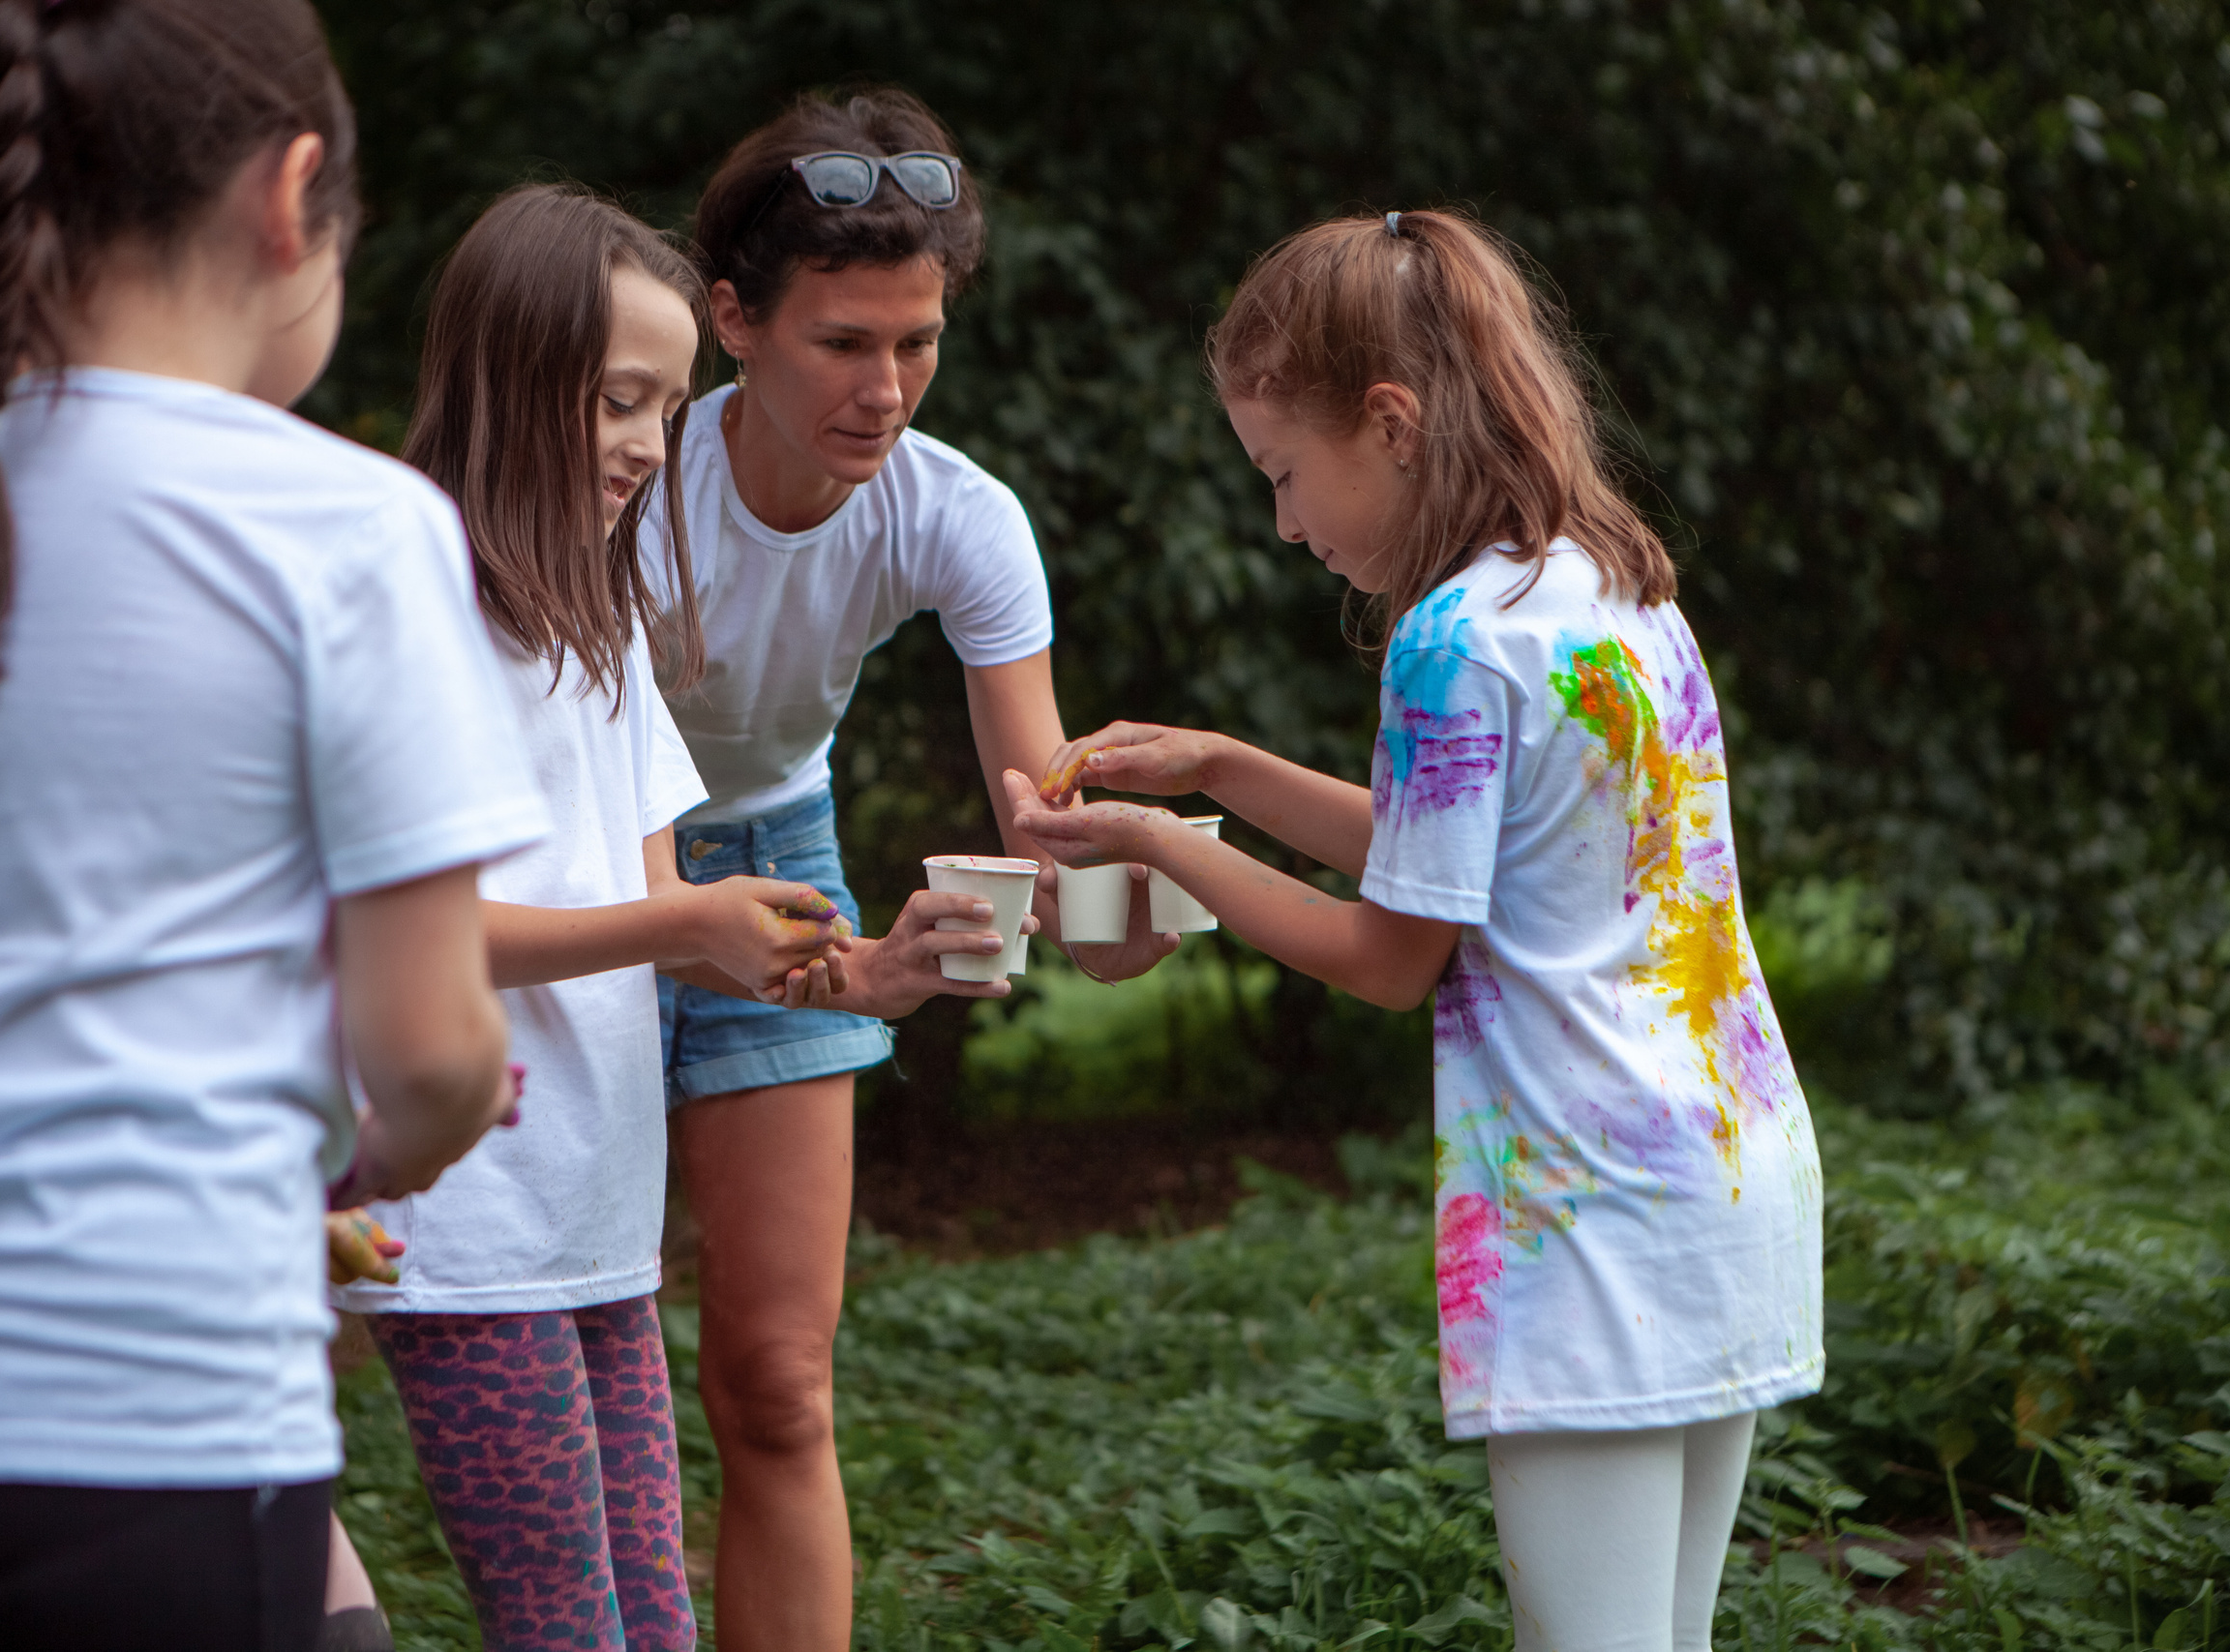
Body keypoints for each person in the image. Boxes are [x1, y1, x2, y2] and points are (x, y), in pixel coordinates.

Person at [0, 2, 543, 1648]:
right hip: (140, 1434)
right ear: (292, 201)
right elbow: (429, 1054)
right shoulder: (348, 528)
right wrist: (347, 1159)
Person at [1014, 208, 1824, 1652]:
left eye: (1283, 473)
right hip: (1727, 1180)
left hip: (1589, 1218)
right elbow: (1460, 860)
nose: (1284, 523)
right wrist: (1222, 770)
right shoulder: (1608, 583)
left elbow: (1393, 959)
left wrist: (1160, 854)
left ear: (1389, 424)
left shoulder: (1452, 634)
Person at [334, 182, 1010, 1652]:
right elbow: (424, 930)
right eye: (618, 402)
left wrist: (869, 973)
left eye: (665, 405)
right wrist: (681, 932)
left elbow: (658, 905)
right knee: (569, 1629)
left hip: (595, 1220)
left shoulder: (595, 620)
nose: (652, 443)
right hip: (468, 1223)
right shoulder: (412, 613)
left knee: (653, 1624)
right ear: (508, 383)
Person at [649, 89, 1172, 1651]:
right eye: (844, 344)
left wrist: (1128, 894)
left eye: (919, 343)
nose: (887, 392)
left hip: (778, 848)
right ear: (731, 319)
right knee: (580, 1349)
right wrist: (844, 965)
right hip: (584, 865)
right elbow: (641, 873)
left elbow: (1047, 819)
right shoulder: (629, 482)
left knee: (780, 1388)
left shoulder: (962, 520)